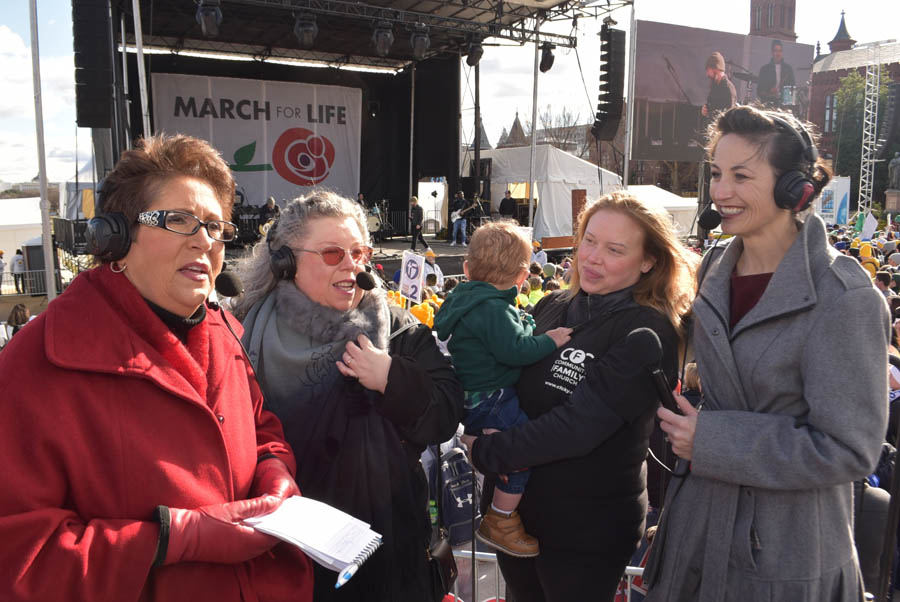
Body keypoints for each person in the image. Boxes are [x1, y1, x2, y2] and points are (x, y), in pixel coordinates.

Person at [0, 134, 313, 601]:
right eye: (179, 221)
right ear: (116, 238)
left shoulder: (226, 332)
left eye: (215, 226)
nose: (205, 241)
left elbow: (261, 427)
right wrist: (170, 539)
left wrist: (275, 469)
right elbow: (20, 557)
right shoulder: (34, 364)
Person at [643, 106, 889, 602]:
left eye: (741, 176)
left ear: (792, 187)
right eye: (715, 173)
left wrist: (711, 439)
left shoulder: (845, 296)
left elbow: (849, 448)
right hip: (696, 538)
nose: (720, 191)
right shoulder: (714, 265)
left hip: (785, 556)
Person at [463, 191, 697, 601]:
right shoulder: (553, 305)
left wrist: (485, 451)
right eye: (589, 240)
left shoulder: (648, 330)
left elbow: (578, 427)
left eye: (614, 249)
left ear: (648, 262)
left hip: (586, 529)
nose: (592, 257)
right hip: (515, 519)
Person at [232, 191, 464, 602]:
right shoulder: (243, 335)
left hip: (388, 558)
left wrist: (393, 378)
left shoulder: (397, 330)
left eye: (359, 252)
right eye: (332, 253)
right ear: (286, 262)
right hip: (285, 558)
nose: (352, 265)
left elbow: (445, 414)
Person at [433, 221, 572, 558]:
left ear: (467, 268)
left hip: (476, 397)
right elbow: (515, 352)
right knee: (521, 452)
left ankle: (474, 445)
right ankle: (502, 518)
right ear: (522, 276)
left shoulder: (466, 300)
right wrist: (548, 340)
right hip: (493, 396)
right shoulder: (493, 309)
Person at [758, 39, 796, 107]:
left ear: (782, 52)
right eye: (776, 51)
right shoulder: (764, 69)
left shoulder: (788, 69)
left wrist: (789, 103)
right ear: (772, 52)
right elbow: (759, 91)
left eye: (780, 51)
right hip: (769, 104)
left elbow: (793, 88)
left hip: (784, 104)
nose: (778, 54)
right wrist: (769, 91)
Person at [701, 51, 736, 119]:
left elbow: (730, 116)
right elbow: (710, 105)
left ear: (715, 69)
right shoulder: (715, 86)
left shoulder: (728, 88)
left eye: (708, 70)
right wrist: (705, 110)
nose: (707, 74)